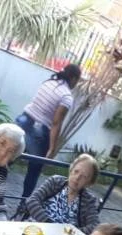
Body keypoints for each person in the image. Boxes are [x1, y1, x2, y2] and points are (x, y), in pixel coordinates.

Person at [16, 63, 81, 197]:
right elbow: (56, 123)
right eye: (77, 80)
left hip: (23, 120)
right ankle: (24, 202)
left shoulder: (48, 82)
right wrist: (52, 148)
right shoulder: (66, 97)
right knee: (34, 171)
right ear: (74, 79)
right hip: (40, 131)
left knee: (6, 157)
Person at [19, 153, 100, 234]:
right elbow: (32, 200)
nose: (77, 178)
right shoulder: (55, 182)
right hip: (35, 230)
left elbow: (94, 226)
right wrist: (49, 224)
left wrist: (69, 233)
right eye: (76, 171)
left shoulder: (88, 200)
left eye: (84, 176)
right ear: (71, 169)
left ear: (89, 183)